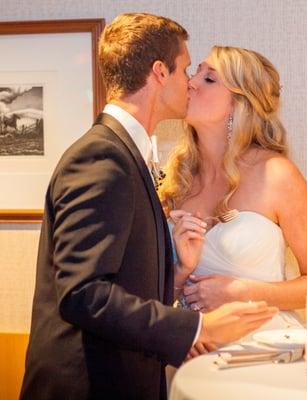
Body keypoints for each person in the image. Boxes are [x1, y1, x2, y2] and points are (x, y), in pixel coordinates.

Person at [21, 14, 276, 400]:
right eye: (185, 68)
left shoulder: (129, 155)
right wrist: (198, 328)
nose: (189, 82)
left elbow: (119, 282)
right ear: (159, 73)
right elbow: (83, 293)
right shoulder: (102, 157)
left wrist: (175, 274)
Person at [159, 46, 307, 352]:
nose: (191, 82)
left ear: (240, 104)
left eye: (209, 79)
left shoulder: (277, 175)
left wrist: (241, 291)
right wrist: (183, 329)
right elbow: (158, 287)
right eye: (196, 72)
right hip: (195, 358)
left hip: (264, 352)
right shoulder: (176, 180)